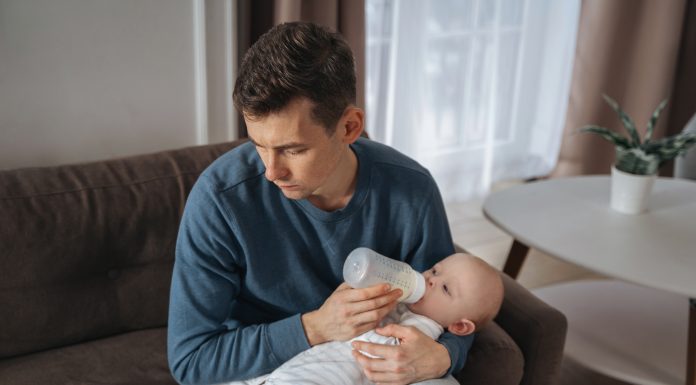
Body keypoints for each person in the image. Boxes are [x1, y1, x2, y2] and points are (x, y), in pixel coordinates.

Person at [167, 21, 474, 385]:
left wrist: (442, 356)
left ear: (349, 127)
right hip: (262, 371)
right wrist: (315, 327)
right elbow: (191, 361)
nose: (271, 171)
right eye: (258, 145)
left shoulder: (411, 190)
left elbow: (452, 304)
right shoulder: (220, 201)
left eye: (292, 149)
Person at [231, 253, 504, 385]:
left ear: (458, 326)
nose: (430, 280)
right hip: (300, 363)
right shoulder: (401, 300)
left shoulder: (420, 333)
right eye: (435, 270)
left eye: (445, 289)